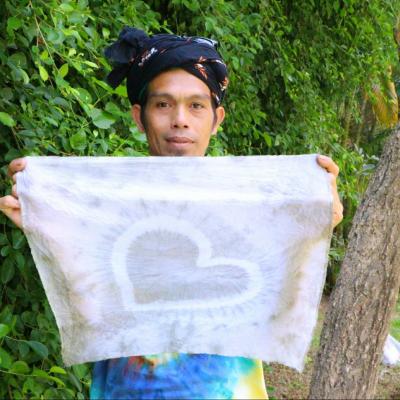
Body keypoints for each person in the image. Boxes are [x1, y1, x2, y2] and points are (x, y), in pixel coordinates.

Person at [0, 27, 343, 399]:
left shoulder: (248, 210)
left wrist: (312, 230)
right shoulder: (107, 209)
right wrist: (47, 227)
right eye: (163, 104)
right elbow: (93, 313)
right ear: (139, 116)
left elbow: (276, 309)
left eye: (196, 106)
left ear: (217, 118)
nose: (180, 119)